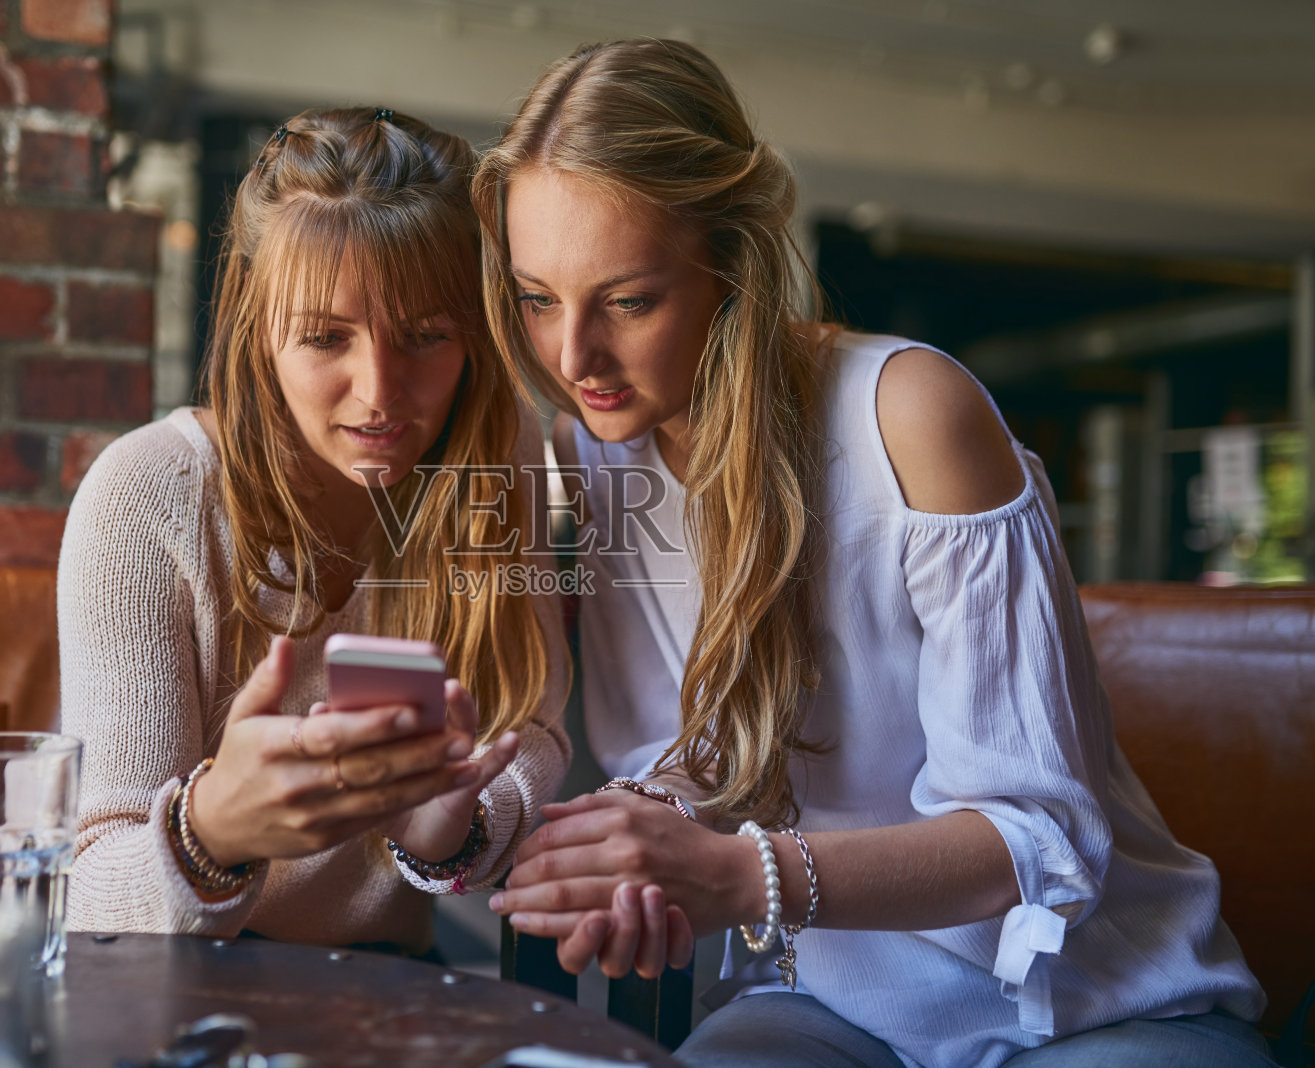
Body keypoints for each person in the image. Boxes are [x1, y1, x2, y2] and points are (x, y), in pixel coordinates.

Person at [473, 40, 1272, 1067]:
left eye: (626, 301)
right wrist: (640, 842)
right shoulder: (593, 449)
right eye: (538, 298)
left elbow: (1034, 837)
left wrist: (738, 877)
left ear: (731, 264)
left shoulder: (911, 414)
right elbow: (688, 763)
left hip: (1092, 1002)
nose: (572, 356)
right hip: (826, 1003)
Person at [58, 106, 568, 954]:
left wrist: (456, 826)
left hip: (390, 982)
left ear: (473, 334)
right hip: (174, 987)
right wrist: (211, 829)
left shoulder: (497, 447)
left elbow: (533, 725)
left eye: (425, 336)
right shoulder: (146, 494)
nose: (379, 391)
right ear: (261, 332)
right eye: (326, 338)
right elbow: (92, 888)